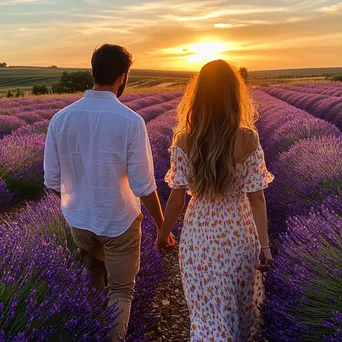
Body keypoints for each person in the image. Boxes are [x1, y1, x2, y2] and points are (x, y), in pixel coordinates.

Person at [44, 44, 174, 341]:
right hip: (119, 222)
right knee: (121, 291)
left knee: (93, 275)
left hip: (80, 220)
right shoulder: (130, 120)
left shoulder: (61, 119)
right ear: (122, 76)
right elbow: (143, 185)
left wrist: (77, 204)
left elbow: (52, 180)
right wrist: (161, 227)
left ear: (93, 71)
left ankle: (92, 334)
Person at [157, 59, 274, 341]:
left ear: (198, 96)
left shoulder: (185, 140)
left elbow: (177, 199)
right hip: (239, 233)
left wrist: (163, 234)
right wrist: (265, 245)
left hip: (201, 234)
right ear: (235, 96)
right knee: (238, 311)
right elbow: (256, 198)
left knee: (207, 314)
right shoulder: (248, 139)